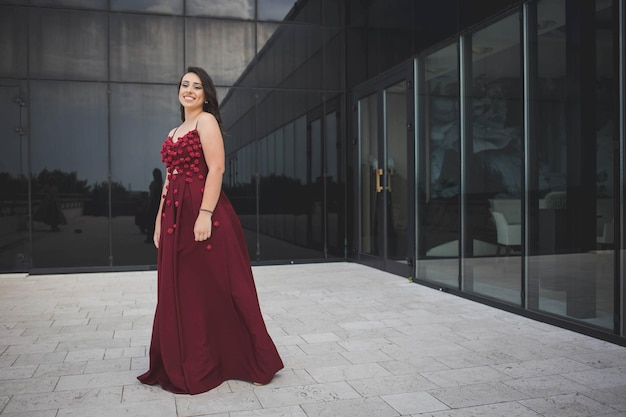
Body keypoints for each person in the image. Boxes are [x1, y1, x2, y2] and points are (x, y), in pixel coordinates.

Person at [137, 66, 283, 395]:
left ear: (206, 95)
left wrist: (204, 214)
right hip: (175, 217)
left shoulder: (206, 121)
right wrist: (159, 219)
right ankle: (189, 358)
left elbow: (216, 167)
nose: (189, 90)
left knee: (225, 287)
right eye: (185, 84)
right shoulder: (175, 130)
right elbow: (170, 179)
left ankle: (254, 361)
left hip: (205, 214)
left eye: (197, 86)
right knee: (185, 289)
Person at [145, 168, 163, 243]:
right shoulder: (160, 184)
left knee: (151, 221)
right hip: (158, 204)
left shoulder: (154, 184)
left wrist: (148, 204)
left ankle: (150, 237)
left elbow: (151, 195)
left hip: (153, 205)